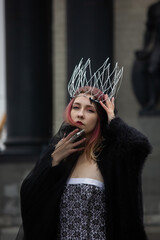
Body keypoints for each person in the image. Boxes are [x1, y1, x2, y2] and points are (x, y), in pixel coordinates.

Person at [18, 59, 151, 240]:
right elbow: (29, 197)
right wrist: (52, 163)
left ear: (100, 117)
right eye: (76, 107)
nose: (80, 114)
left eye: (90, 110)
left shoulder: (112, 154)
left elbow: (140, 147)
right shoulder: (59, 150)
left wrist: (113, 120)